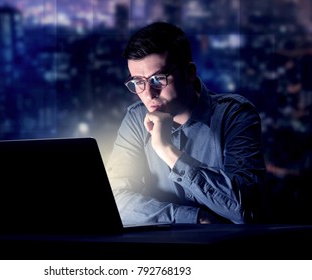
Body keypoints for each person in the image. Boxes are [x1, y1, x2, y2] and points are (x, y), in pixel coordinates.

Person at [105, 21, 267, 224]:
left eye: (158, 79)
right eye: (138, 81)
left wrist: (166, 149)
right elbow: (115, 201)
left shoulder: (234, 114)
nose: (147, 94)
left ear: (189, 73)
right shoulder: (137, 118)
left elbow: (245, 210)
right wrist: (194, 217)